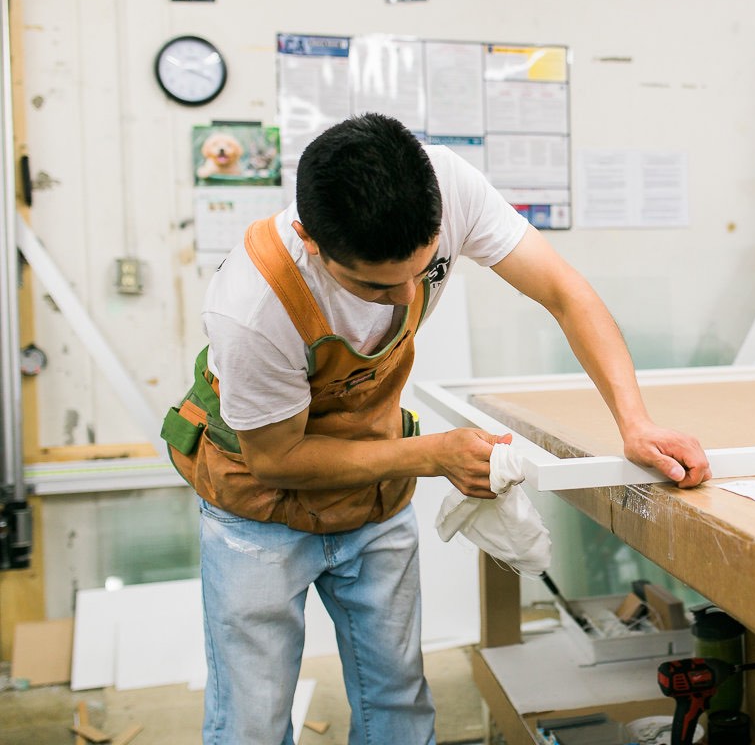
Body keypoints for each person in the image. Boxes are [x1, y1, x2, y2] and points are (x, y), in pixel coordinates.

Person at [161, 112, 711, 745]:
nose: (401, 300)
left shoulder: (448, 186)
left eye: (418, 274)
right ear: (311, 240)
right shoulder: (253, 304)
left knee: (397, 697)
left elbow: (563, 290)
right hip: (255, 508)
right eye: (372, 285)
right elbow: (277, 460)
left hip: (372, 492)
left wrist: (633, 422)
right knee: (251, 718)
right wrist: (431, 454)